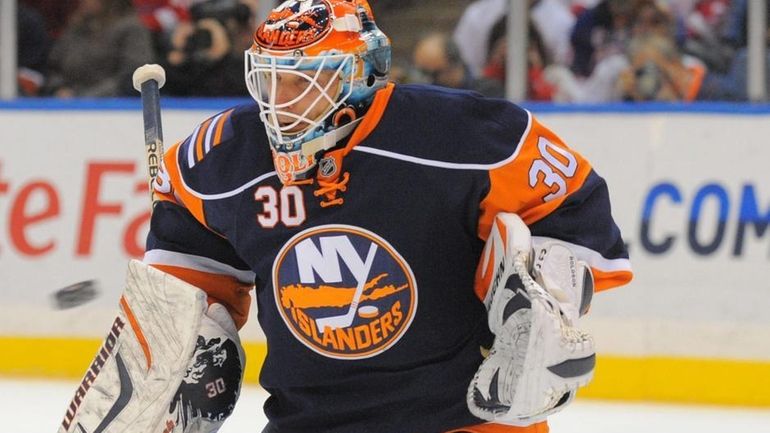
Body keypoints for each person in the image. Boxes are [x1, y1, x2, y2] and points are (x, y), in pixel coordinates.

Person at [59, 1, 632, 433]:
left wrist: (543, 309)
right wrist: (185, 351)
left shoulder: (461, 137)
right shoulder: (225, 156)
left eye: (302, 82)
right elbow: (188, 278)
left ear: (358, 75)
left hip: (464, 423)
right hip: (307, 423)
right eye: (271, 78)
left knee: (531, 268)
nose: (280, 101)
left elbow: (575, 203)